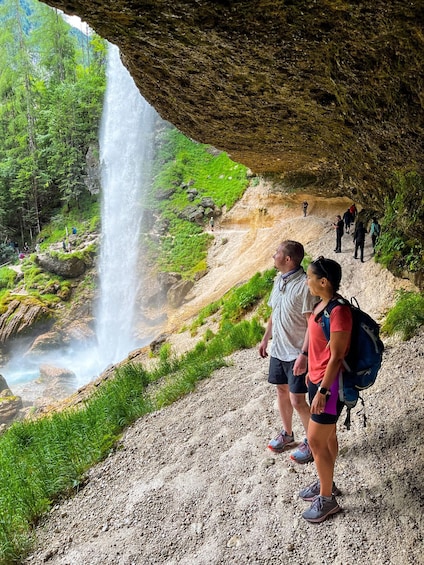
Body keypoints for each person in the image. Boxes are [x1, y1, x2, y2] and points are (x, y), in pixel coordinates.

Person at [299, 256, 352, 523]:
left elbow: (337, 356)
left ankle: (328, 500)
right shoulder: (321, 306)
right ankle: (326, 485)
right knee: (328, 439)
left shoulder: (339, 311)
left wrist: (322, 391)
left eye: (309, 276)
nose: (307, 280)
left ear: (323, 281)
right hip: (316, 382)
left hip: (328, 388)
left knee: (317, 441)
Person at [259, 240, 317, 464]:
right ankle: (287, 434)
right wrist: (266, 339)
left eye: (277, 253)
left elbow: (311, 323)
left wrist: (304, 355)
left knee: (298, 400)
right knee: (281, 391)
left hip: (296, 353)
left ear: (288, 259)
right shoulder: (278, 280)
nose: (273, 256)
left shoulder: (304, 285)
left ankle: (313, 442)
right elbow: (275, 311)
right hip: (279, 349)